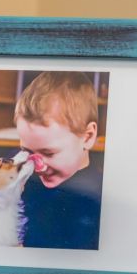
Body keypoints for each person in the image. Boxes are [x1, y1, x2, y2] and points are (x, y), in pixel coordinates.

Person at [14, 71, 103, 250]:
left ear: (87, 137)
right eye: (27, 151)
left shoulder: (97, 199)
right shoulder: (26, 184)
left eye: (49, 153)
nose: (37, 166)